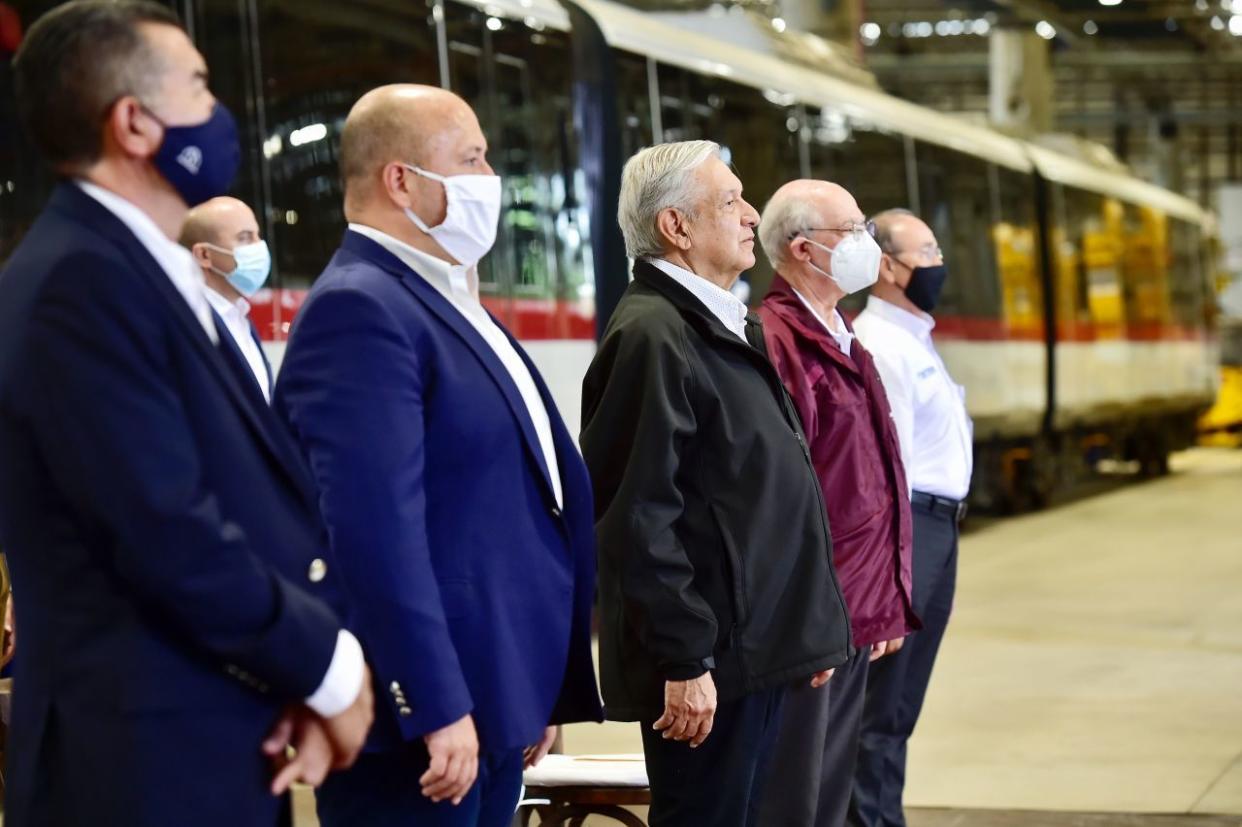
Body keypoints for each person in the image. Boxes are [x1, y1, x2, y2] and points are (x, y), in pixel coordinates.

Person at [0, 3, 374, 825]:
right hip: (139, 769)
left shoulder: (127, 268)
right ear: (134, 123)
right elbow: (167, 529)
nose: (221, 113)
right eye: (200, 88)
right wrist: (328, 666)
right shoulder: (80, 284)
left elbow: (243, 491)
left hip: (199, 739)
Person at [274, 84, 603, 827]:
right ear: (402, 180)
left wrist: (524, 691)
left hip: (490, 696)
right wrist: (434, 699)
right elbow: (372, 531)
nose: (492, 180)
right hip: (425, 725)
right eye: (473, 158)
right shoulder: (359, 308)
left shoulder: (446, 298)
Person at [579, 141, 853, 827]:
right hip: (712, 669)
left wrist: (809, 628)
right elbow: (636, 515)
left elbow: (763, 492)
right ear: (677, 227)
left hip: (759, 652)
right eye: (729, 201)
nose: (750, 215)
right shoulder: (652, 335)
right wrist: (683, 656)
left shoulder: (721, 325)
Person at [752, 180, 919, 827]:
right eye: (851, 230)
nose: (865, 244)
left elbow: (867, 477)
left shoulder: (841, 331)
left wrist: (880, 605)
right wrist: (815, 618)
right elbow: (789, 493)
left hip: (850, 610)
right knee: (793, 798)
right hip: (813, 620)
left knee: (824, 794)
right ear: (801, 248)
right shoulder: (779, 340)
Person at [849, 209, 973, 827]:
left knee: (898, 711)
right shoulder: (881, 344)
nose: (939, 265)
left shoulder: (914, 338)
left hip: (938, 528)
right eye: (926, 253)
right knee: (881, 711)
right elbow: (880, 466)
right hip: (911, 526)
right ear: (889, 266)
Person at [180, 196, 274, 402]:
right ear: (204, 255)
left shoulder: (240, 315)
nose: (259, 246)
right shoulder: (189, 324)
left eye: (258, 235)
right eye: (245, 238)